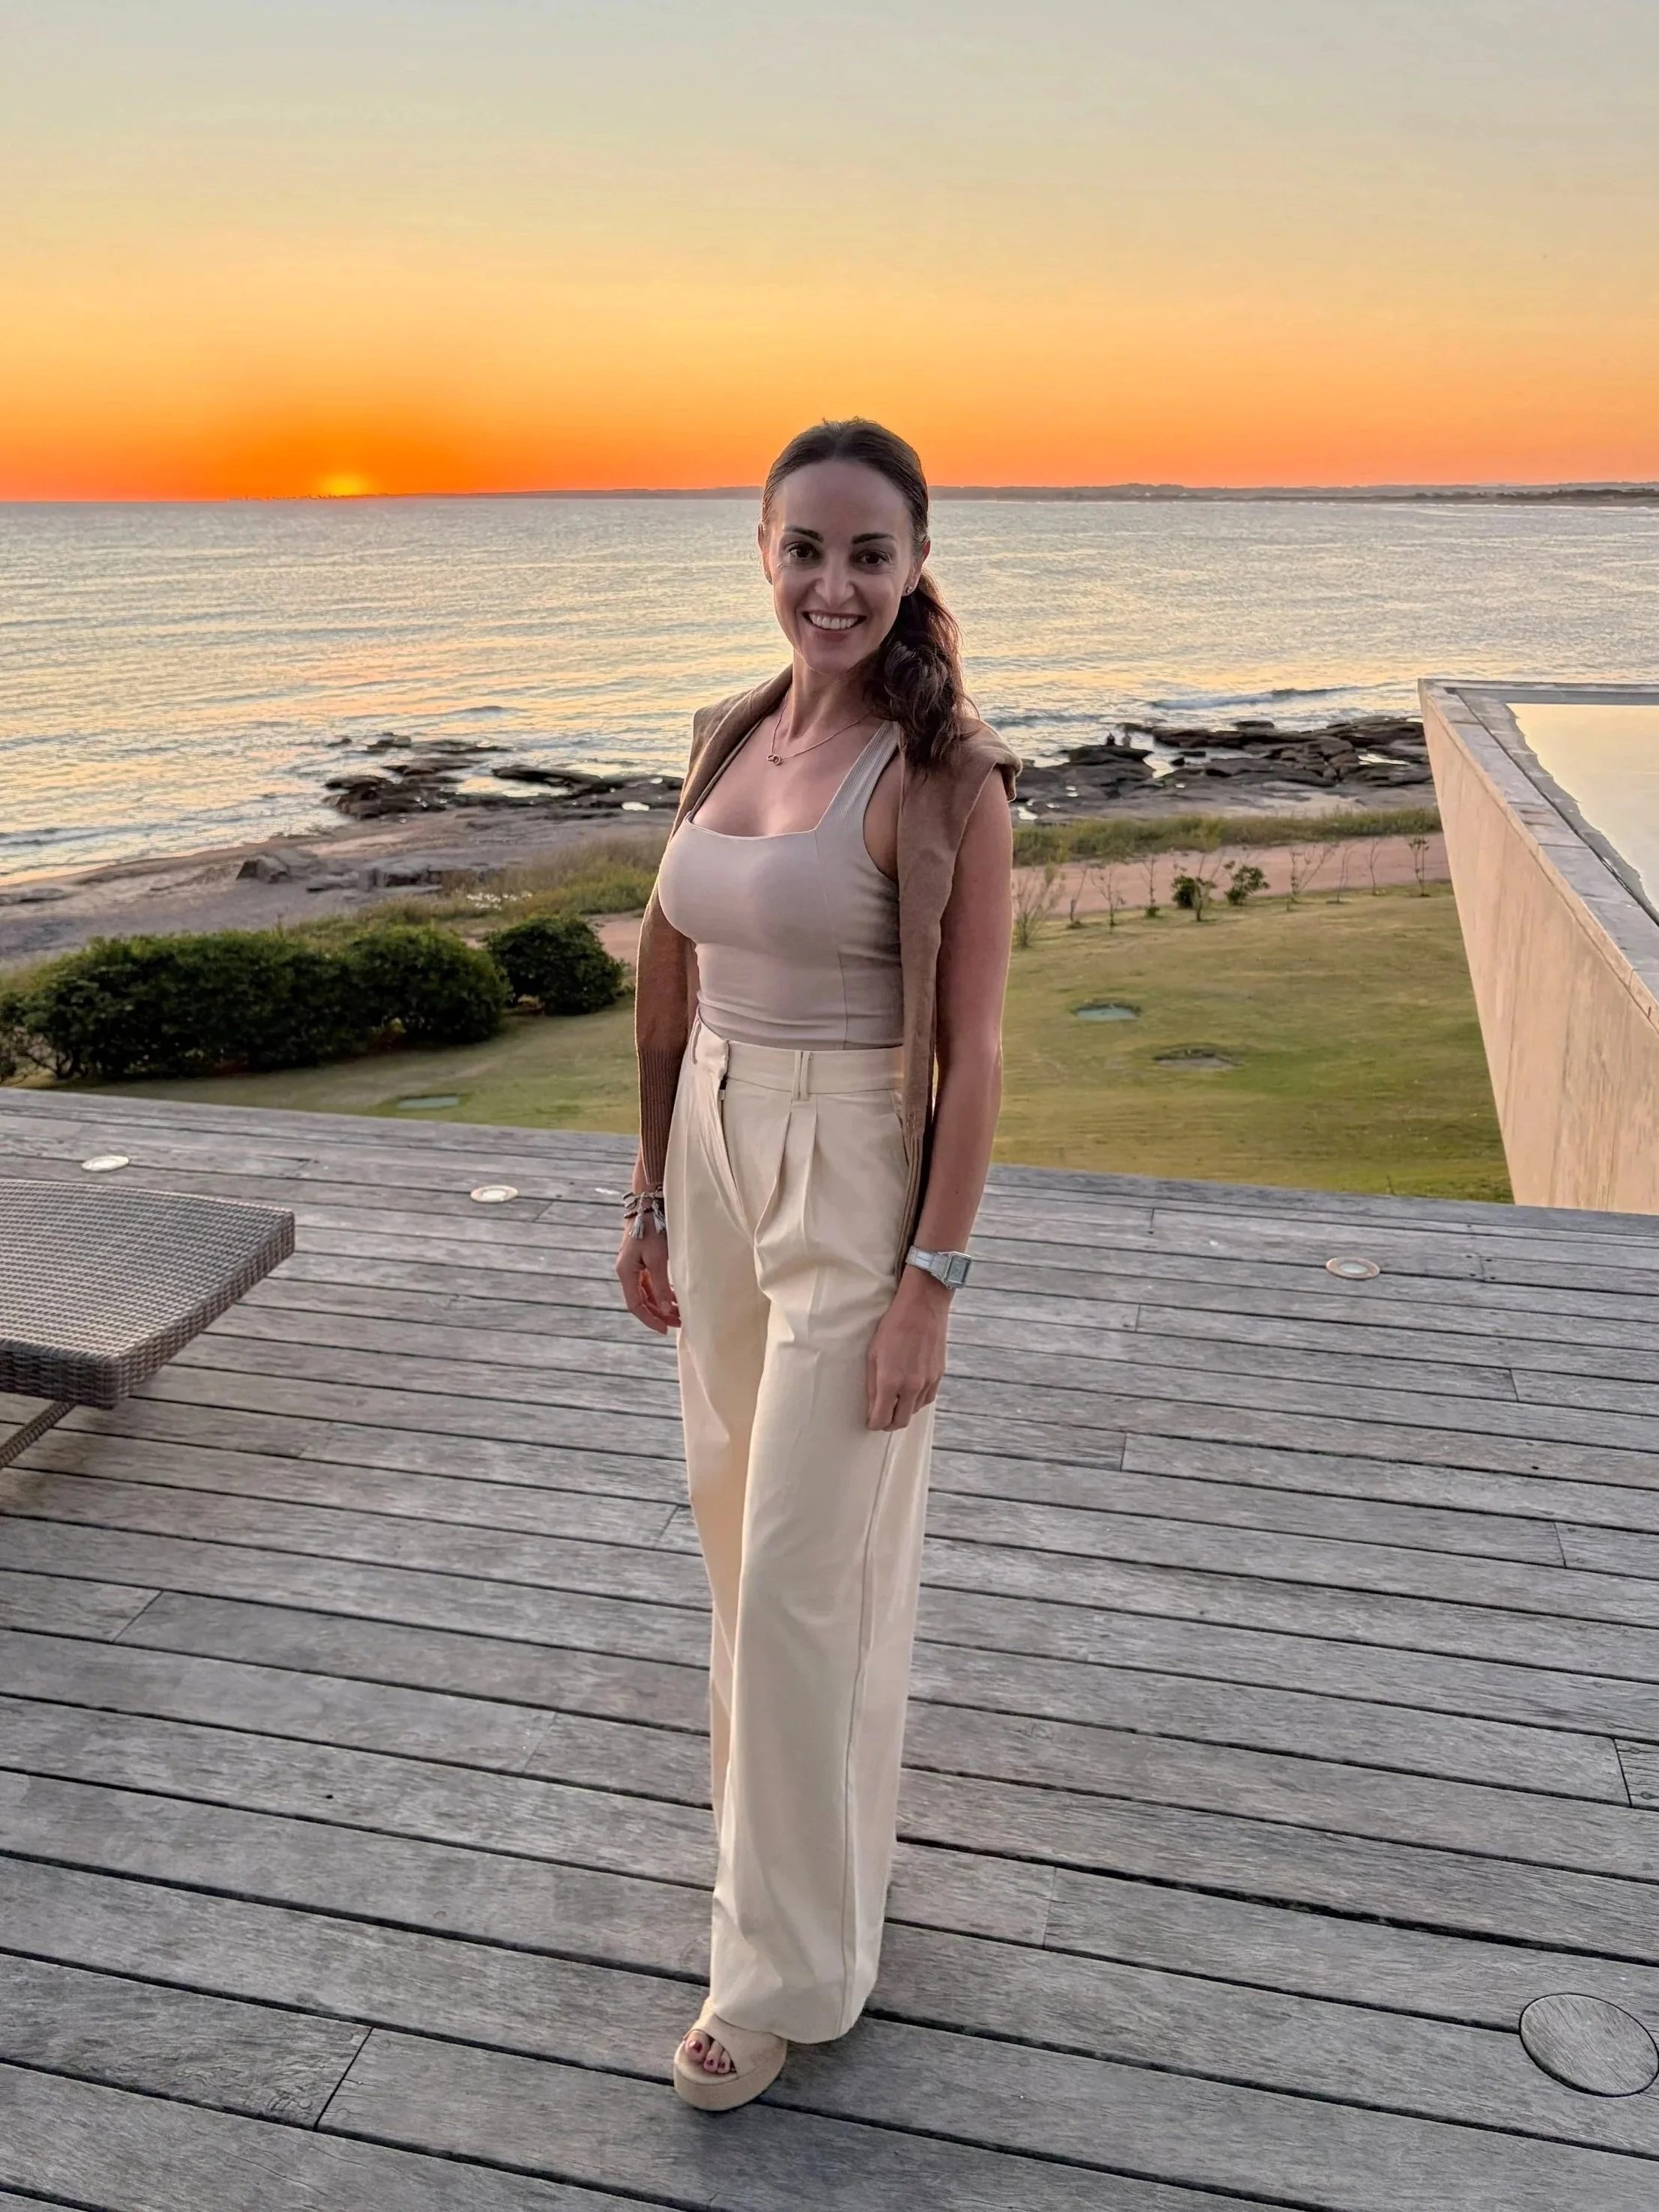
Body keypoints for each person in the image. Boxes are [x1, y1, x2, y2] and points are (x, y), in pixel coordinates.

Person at [616, 417, 1016, 2112]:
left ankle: (779, 1977)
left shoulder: (951, 778)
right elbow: (668, 955)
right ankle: (806, 1891)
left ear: (917, 561)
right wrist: (646, 1189)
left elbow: (981, 1060)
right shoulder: (728, 733)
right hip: (714, 1150)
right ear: (762, 555)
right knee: (743, 1563)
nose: (832, 584)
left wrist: (935, 1275)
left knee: (799, 1583)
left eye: (868, 552)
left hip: (855, 1182)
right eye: (805, 549)